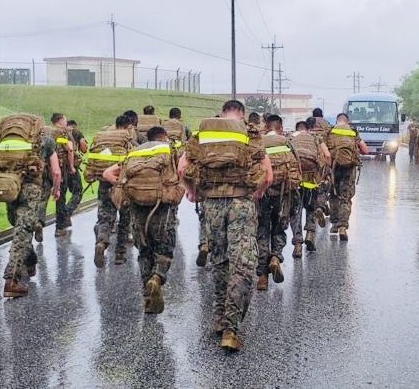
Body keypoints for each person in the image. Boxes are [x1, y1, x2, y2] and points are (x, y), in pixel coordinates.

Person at [179, 100, 273, 351]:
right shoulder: (250, 134)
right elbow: (268, 174)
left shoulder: (204, 135)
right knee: (243, 263)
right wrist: (257, 192)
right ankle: (231, 327)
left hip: (211, 205)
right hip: (241, 203)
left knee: (219, 260)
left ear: (222, 113)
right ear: (242, 114)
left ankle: (219, 316)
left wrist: (192, 192)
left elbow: (182, 168)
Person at [0, 114, 61, 298]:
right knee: (23, 231)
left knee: (19, 227)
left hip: (10, 186)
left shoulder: (2, 142)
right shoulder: (45, 141)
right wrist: (57, 188)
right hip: (30, 190)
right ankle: (11, 280)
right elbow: (55, 170)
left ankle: (29, 261)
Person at [101, 126, 181, 314]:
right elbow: (183, 172)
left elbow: (107, 174)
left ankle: (147, 297)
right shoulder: (170, 151)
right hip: (161, 207)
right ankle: (157, 278)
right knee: (164, 249)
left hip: (136, 206)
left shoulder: (134, 153)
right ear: (165, 137)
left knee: (144, 250)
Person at [255, 115, 300, 290]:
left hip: (263, 194)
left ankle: (262, 277)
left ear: (266, 127)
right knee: (279, 228)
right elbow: (298, 170)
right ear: (280, 127)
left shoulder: (259, 142)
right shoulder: (287, 142)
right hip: (283, 195)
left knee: (262, 231)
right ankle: (275, 257)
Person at [93, 115, 133, 267]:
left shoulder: (102, 138)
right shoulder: (128, 141)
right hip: (122, 184)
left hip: (103, 183)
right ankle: (119, 254)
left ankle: (101, 242)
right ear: (128, 126)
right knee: (124, 219)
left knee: (105, 217)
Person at [289, 120, 331, 256]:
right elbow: (327, 155)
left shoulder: (290, 138)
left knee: (296, 211)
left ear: (297, 129)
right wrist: (325, 173)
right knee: (311, 207)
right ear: (308, 129)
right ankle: (310, 235)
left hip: (296, 180)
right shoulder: (315, 138)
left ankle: (297, 244)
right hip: (312, 179)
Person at [326, 113, 368, 241]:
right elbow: (365, 150)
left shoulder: (330, 131)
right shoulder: (353, 132)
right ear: (347, 121)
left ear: (337, 120)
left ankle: (334, 224)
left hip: (334, 167)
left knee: (333, 195)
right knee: (345, 197)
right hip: (349, 168)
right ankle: (343, 226)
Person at [46, 113, 76, 238]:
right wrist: (72, 167)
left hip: (44, 168)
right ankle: (60, 227)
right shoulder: (63, 133)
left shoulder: (45, 132)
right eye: (64, 119)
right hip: (59, 167)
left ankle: (38, 222)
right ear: (59, 121)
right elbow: (69, 150)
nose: (66, 121)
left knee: (43, 197)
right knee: (60, 198)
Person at [64, 119, 88, 223]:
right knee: (77, 192)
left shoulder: (59, 133)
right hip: (71, 169)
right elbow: (83, 148)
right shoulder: (76, 132)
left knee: (60, 196)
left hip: (59, 168)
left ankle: (60, 224)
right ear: (75, 126)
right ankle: (67, 213)